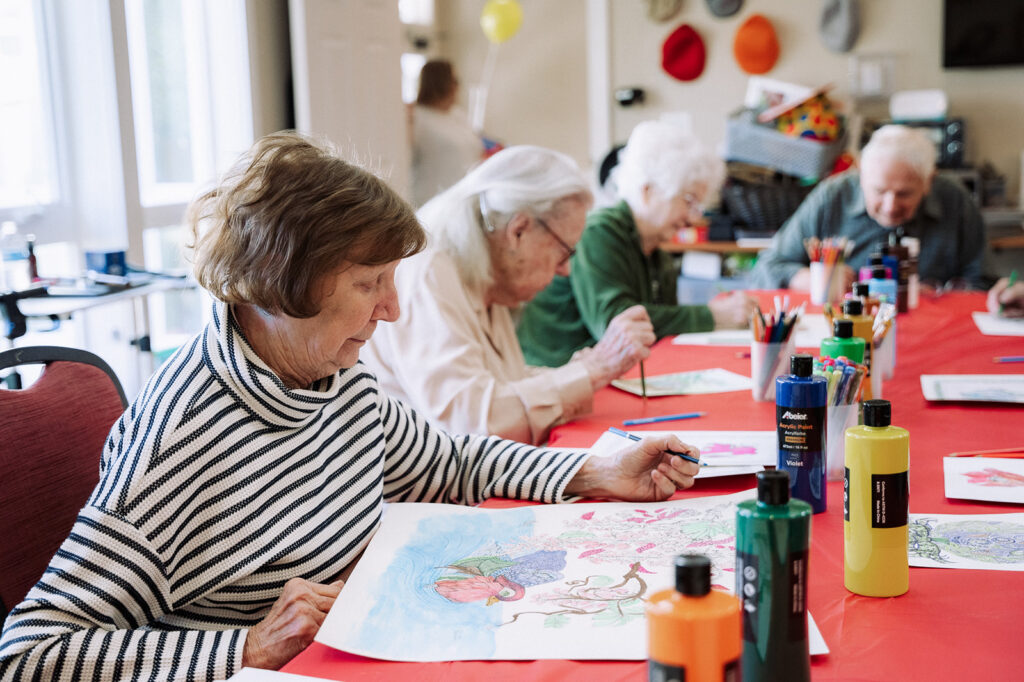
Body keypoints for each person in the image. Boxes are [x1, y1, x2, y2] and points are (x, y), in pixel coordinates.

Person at [0, 133, 701, 680]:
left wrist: (591, 472)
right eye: (370, 283)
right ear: (284, 283)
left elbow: (445, 460)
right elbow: (32, 653)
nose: (393, 310)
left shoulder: (330, 374)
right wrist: (242, 646)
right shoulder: (181, 440)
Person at [362, 145, 655, 445]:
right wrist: (592, 370)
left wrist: (585, 370)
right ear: (518, 231)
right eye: (564, 252)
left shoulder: (485, 270)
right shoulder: (428, 271)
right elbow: (471, 426)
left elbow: (504, 385)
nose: (565, 270)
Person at [516, 120, 758, 369]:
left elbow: (660, 334)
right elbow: (617, 324)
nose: (694, 218)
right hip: (556, 374)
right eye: (689, 201)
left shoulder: (658, 254)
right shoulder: (599, 232)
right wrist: (712, 315)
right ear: (648, 191)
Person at [749, 124, 987, 293]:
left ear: (928, 182)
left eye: (904, 193)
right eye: (879, 191)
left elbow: (982, 280)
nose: (890, 206)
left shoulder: (955, 200)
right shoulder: (832, 196)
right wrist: (814, 279)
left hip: (934, 331)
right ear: (861, 177)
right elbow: (766, 268)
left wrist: (943, 294)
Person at [409, 59, 485, 207]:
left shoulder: (457, 114)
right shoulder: (418, 117)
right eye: (454, 80)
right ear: (441, 83)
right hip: (432, 201)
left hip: (465, 199)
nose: (457, 86)